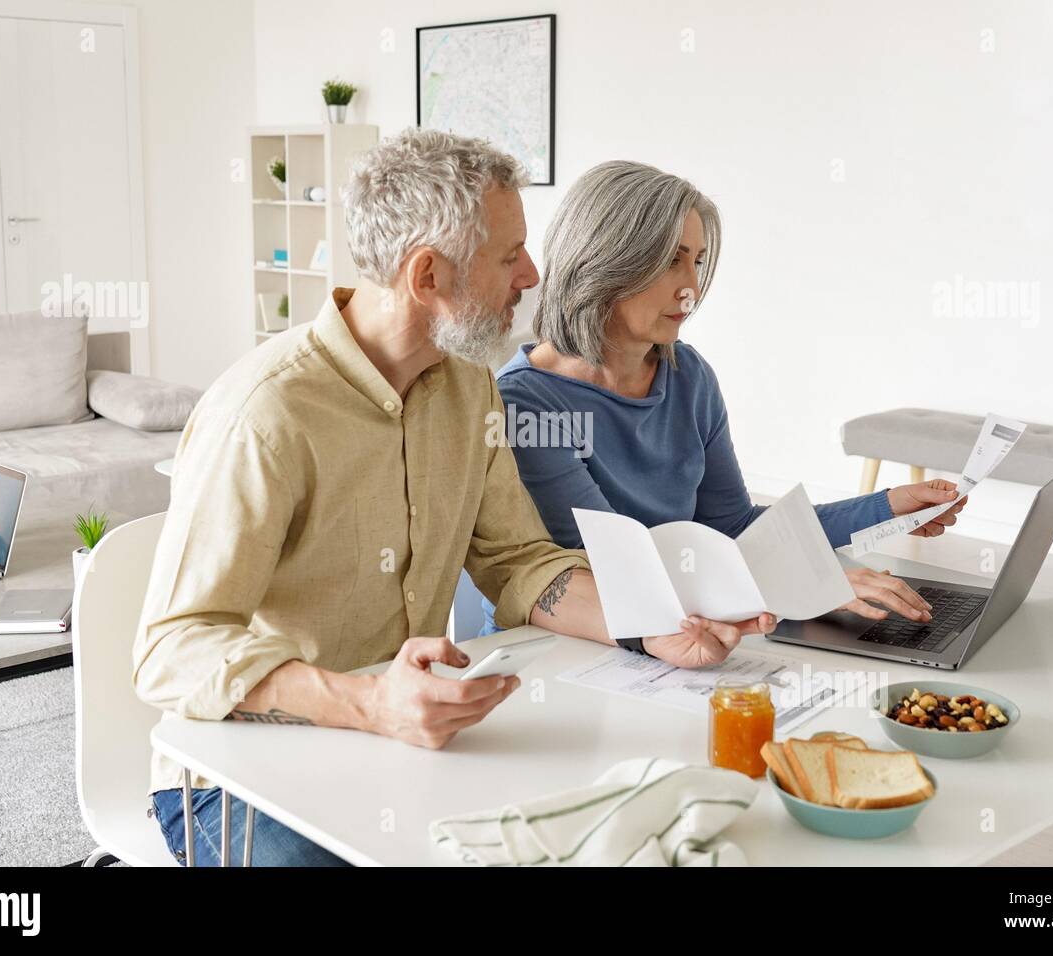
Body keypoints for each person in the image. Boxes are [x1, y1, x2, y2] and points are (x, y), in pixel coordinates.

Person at [133, 133, 774, 867]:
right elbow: (170, 651)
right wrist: (370, 704)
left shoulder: (469, 389)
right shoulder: (265, 415)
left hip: (403, 747)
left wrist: (649, 625)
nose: (532, 276)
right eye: (510, 256)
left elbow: (519, 561)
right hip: (237, 779)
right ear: (429, 274)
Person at [481, 160, 966, 635]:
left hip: (674, 633)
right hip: (559, 647)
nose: (691, 287)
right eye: (671, 259)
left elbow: (733, 526)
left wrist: (886, 507)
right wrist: (802, 585)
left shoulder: (687, 374)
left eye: (696, 260)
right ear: (604, 260)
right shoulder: (528, 403)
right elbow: (623, 567)